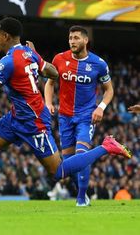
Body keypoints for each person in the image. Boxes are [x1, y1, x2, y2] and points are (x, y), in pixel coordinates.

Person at [0, 17, 131, 211]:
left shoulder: (7, 61)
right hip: (18, 115)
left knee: (58, 171)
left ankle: (106, 147)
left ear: (6, 36)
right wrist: (35, 59)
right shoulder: (29, 53)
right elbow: (53, 72)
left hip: (33, 120)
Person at [44, 26, 113, 207]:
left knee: (81, 153)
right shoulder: (59, 59)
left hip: (86, 117)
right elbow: (50, 84)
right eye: (70, 38)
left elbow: (109, 90)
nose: (72, 41)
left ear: (85, 40)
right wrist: (49, 103)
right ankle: (83, 194)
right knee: (68, 161)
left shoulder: (99, 64)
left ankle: (81, 198)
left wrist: (101, 107)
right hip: (65, 117)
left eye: (76, 38)